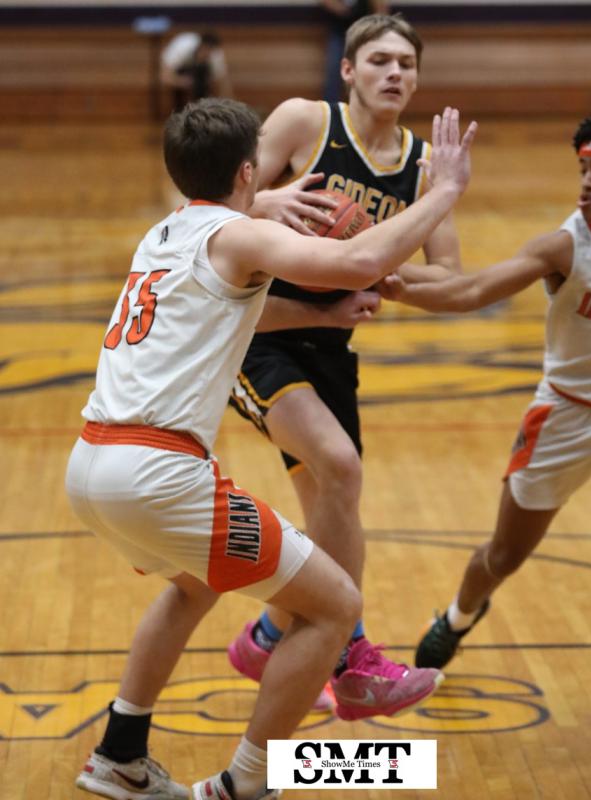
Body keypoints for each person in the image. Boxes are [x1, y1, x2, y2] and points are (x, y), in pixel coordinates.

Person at [66, 97, 475, 800]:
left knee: (193, 583)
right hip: (158, 472)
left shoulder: (163, 235)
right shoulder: (240, 233)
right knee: (333, 606)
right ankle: (247, 784)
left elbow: (239, 306)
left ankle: (119, 753)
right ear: (250, 170)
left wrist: (319, 314)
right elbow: (361, 259)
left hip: (92, 462)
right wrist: (446, 191)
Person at [377, 103, 591, 773]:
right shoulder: (564, 245)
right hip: (564, 415)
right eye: (582, 169)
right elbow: (471, 292)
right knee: (502, 555)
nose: (585, 183)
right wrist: (387, 283)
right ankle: (461, 613)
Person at [226, 13, 466, 719]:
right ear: (348, 71)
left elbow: (447, 275)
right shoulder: (305, 121)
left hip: (330, 347)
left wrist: (392, 276)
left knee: (333, 504)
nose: (396, 73)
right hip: (257, 333)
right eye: (381, 60)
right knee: (343, 468)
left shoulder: (422, 163)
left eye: (407, 64)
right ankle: (354, 660)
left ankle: (269, 634)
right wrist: (266, 201)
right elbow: (210, 207)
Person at [319, 1, 389, 102]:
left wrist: (379, 29)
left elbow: (381, 7)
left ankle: (370, 105)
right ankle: (331, 110)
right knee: (334, 73)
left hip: (365, 32)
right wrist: (346, 11)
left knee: (368, 70)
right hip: (340, 31)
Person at [160, 30, 231, 111]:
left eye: (209, 53)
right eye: (204, 51)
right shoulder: (181, 48)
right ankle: (179, 112)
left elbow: (223, 84)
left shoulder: (216, 56)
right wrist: (180, 82)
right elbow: (164, 77)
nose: (206, 55)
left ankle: (202, 110)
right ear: (200, 46)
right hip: (180, 75)